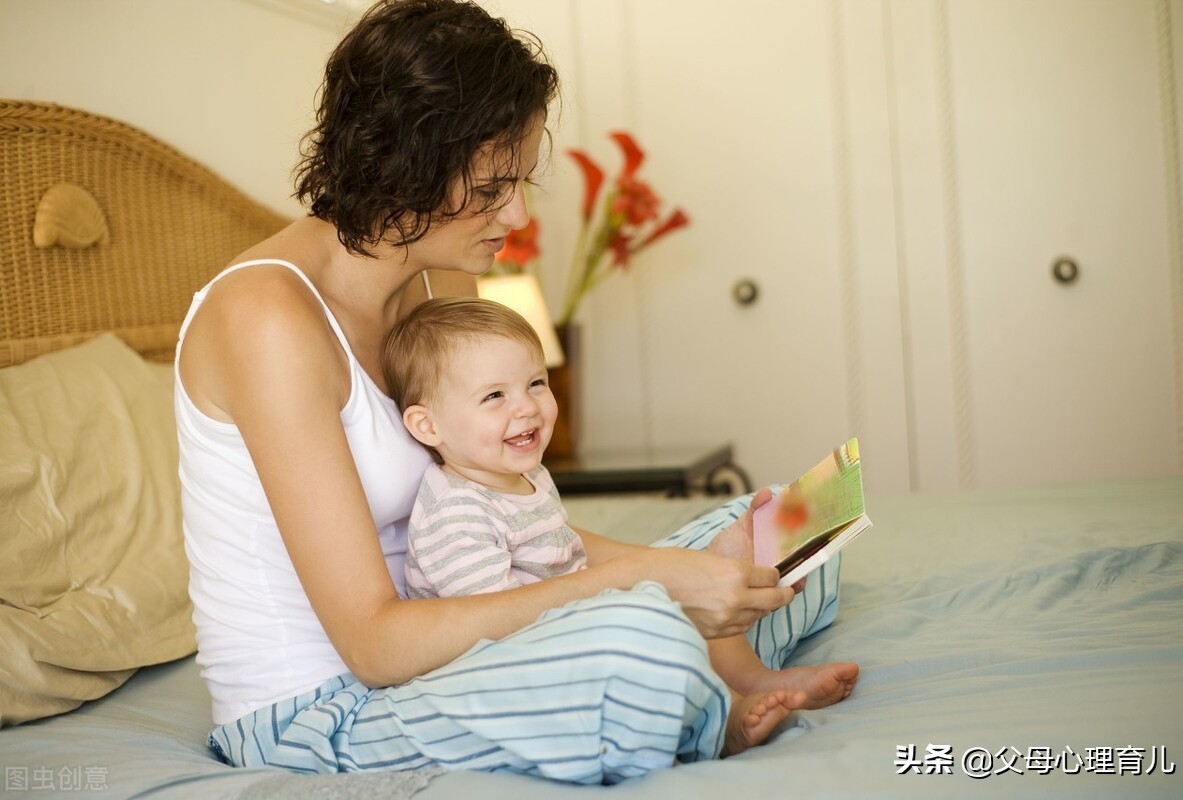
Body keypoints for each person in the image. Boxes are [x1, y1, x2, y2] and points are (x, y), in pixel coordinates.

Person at [174, 0, 856, 783]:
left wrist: (698, 570)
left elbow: (522, 526)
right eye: (495, 186)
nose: (519, 214)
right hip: (331, 705)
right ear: (408, 163)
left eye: (522, 181)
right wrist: (652, 584)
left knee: (781, 532)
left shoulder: (439, 278)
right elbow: (373, 643)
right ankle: (685, 676)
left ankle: (700, 662)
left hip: (461, 632)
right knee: (643, 640)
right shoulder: (267, 317)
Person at [381, 296, 856, 756]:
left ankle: (756, 680)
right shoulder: (454, 513)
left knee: (771, 535)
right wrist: (638, 594)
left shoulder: (525, 475)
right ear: (428, 427)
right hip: (513, 657)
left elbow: (566, 552)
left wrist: (688, 565)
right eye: (494, 396)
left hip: (569, 612)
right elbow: (501, 626)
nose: (526, 407)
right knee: (662, 607)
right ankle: (721, 721)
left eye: (536, 383)